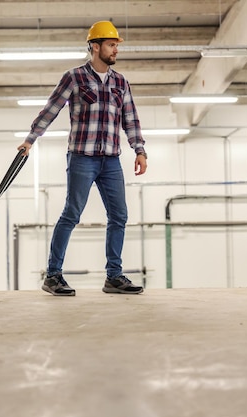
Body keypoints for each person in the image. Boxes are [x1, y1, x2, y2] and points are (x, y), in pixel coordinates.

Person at [17, 21, 148, 296]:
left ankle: (114, 276)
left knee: (119, 216)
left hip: (111, 160)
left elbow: (130, 119)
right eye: (111, 45)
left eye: (116, 45)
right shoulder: (74, 77)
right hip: (82, 157)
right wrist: (31, 139)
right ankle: (53, 275)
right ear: (95, 47)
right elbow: (51, 109)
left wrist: (139, 150)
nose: (115, 50)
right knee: (72, 213)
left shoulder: (120, 82)